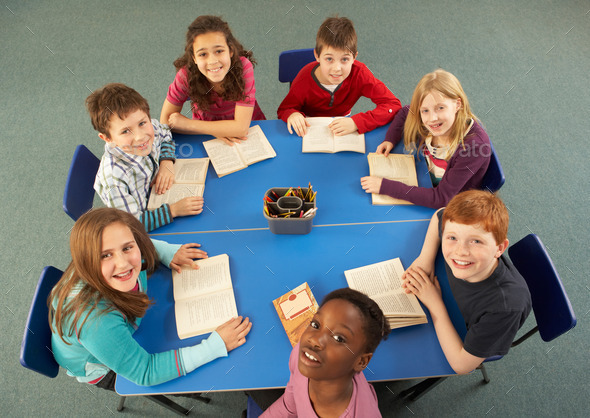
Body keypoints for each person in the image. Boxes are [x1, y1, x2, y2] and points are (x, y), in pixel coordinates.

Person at [50, 208, 252, 389]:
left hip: (120, 325)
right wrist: (213, 347)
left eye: (127, 248)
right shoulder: (94, 322)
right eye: (105, 255)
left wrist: (167, 252)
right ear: (89, 261)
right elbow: (144, 372)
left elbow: (140, 243)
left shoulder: (124, 255)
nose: (123, 263)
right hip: (100, 365)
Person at [401, 190, 531, 374]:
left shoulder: (505, 307)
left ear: (499, 248)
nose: (460, 251)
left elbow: (461, 365)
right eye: (452, 238)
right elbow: (440, 214)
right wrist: (425, 258)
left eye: (476, 241)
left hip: (464, 329)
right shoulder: (463, 250)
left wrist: (434, 303)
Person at [361, 69, 491, 208]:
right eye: (425, 111)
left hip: (452, 200)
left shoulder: (474, 148)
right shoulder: (436, 123)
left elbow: (440, 198)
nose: (432, 118)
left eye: (440, 108)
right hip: (426, 174)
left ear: (457, 105)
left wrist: (385, 186)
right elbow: (406, 111)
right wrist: (390, 139)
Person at [88, 83, 204, 232]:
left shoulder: (149, 127)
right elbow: (132, 224)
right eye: (125, 132)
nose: (140, 136)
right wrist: (174, 210)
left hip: (158, 196)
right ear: (107, 138)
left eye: (142, 123)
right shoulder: (114, 182)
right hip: (148, 223)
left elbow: (165, 134)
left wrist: (166, 163)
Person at [262, 288, 391, 417]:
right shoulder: (303, 357)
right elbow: (290, 405)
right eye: (316, 325)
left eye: (338, 338)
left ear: (361, 361)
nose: (314, 340)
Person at [277, 16, 401, 137]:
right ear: (317, 55)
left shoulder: (360, 73)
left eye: (345, 59)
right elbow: (285, 109)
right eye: (329, 59)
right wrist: (292, 115)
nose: (337, 68)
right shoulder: (304, 78)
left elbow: (392, 105)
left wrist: (356, 122)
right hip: (309, 126)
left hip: (344, 122)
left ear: (354, 57)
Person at [161, 15, 266, 145]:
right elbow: (165, 121)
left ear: (231, 51)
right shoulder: (185, 75)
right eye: (203, 54)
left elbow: (241, 128)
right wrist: (215, 131)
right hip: (204, 137)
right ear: (194, 58)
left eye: (219, 51)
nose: (213, 61)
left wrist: (188, 125)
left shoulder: (243, 67)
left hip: (251, 130)